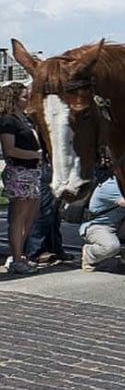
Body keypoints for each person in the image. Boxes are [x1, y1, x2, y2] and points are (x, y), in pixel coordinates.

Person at [1, 82, 42, 275]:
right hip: (19, 170)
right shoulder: (8, 121)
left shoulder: (25, 118)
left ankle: (20, 253)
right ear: (14, 99)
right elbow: (9, 149)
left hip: (33, 171)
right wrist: (35, 155)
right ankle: (17, 257)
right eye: (24, 97)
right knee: (19, 216)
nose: (28, 100)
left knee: (31, 215)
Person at [80, 176, 125, 274]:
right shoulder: (112, 186)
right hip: (97, 226)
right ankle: (89, 254)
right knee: (112, 247)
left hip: (118, 224)